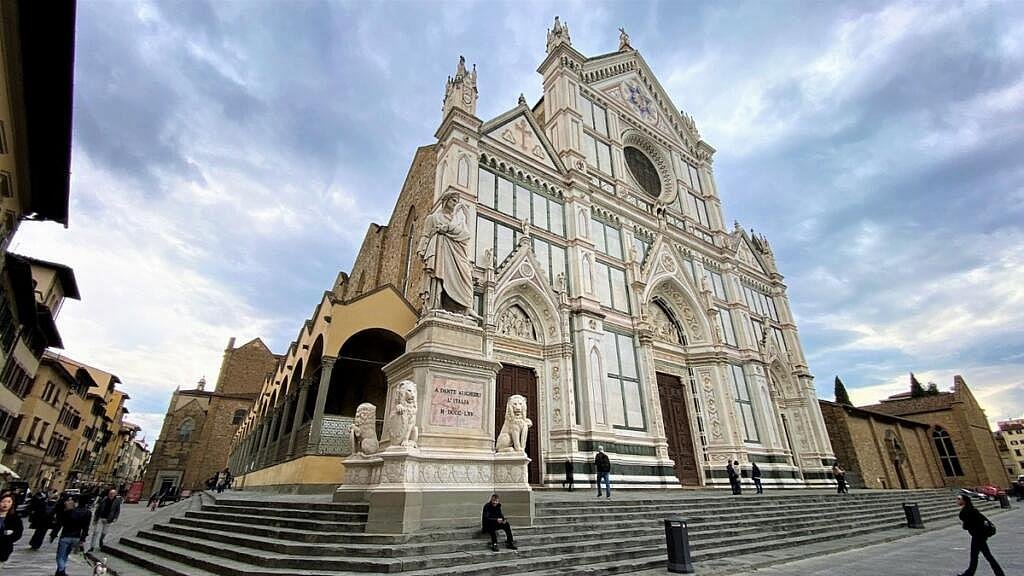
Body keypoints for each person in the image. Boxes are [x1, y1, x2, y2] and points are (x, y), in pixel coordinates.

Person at [956, 493, 1005, 576]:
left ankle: (999, 573)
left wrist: (963, 524)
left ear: (964, 500)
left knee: (981, 556)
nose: (957, 500)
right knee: (981, 556)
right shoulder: (971, 509)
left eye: (959, 499)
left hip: (978, 536)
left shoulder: (968, 511)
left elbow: (969, 525)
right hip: (979, 535)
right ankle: (970, 573)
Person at [51, 495, 90, 576]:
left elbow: (60, 523)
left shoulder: (70, 511)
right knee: (65, 555)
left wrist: (54, 534)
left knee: (60, 556)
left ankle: (61, 571)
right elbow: (86, 528)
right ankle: (60, 572)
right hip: (76, 537)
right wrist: (82, 539)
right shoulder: (88, 512)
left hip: (65, 536)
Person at [89, 488, 121, 552]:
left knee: (104, 533)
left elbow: (117, 510)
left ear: (115, 494)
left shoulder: (117, 501)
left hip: (109, 519)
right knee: (95, 532)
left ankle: (101, 540)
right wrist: (95, 518)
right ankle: (92, 546)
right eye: (110, 493)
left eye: (112, 494)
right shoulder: (104, 499)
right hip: (100, 518)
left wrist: (115, 518)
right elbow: (98, 509)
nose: (111, 495)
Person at [0, 492, 24, 564]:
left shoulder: (15, 518)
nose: (5, 504)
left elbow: (18, 533)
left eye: (9, 502)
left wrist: (8, 536)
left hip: (2, 550)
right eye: (3, 501)